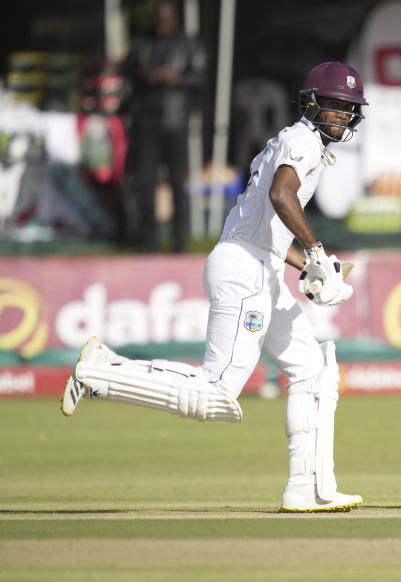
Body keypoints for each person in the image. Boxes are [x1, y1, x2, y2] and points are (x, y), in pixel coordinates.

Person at [61, 62, 368, 513]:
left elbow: (271, 227)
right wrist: (318, 250)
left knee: (313, 369)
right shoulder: (301, 140)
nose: (341, 114)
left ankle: (308, 488)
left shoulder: (300, 143)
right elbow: (282, 197)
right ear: (312, 103)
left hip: (257, 264)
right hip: (245, 270)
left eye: (348, 107)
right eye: (334, 105)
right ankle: (102, 371)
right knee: (218, 393)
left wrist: (315, 268)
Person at [123, 0, 205, 252]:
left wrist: (176, 78)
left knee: (177, 182)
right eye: (159, 19)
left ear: (175, 20)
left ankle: (179, 242)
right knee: (145, 182)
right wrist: (147, 76)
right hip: (147, 120)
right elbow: (126, 71)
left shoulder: (188, 45)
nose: (162, 24)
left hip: (175, 120)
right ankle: (149, 241)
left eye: (166, 19)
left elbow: (200, 78)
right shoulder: (142, 44)